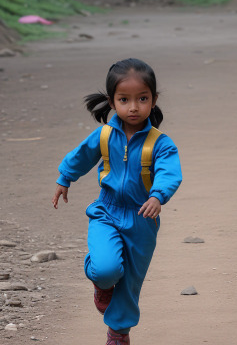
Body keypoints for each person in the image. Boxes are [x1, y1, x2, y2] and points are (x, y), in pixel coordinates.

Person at [52, 58, 182, 345]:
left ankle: (118, 334)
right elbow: (81, 156)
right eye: (124, 99)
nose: (133, 107)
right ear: (112, 101)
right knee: (106, 269)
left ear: (154, 100)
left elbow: (169, 173)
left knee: (131, 282)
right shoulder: (104, 135)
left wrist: (158, 195)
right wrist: (65, 178)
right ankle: (101, 283)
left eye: (142, 99)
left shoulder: (161, 143)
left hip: (142, 220)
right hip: (106, 213)